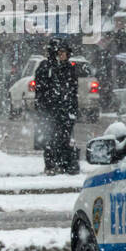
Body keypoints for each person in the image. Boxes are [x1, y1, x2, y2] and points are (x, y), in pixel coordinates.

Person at [34, 38, 79, 175]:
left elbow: (73, 91)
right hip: (50, 111)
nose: (63, 55)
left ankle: (65, 164)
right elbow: (40, 91)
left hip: (65, 111)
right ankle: (51, 165)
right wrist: (43, 108)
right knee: (51, 139)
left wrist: (73, 109)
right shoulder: (45, 68)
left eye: (65, 52)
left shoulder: (69, 69)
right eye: (60, 52)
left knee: (64, 138)